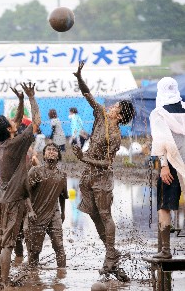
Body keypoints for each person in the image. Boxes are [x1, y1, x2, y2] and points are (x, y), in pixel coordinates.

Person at [72, 61, 135, 275]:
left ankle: (110, 256)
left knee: (105, 215)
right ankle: (113, 253)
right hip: (87, 175)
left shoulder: (116, 136)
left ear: (119, 115)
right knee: (94, 214)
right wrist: (79, 77)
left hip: (102, 178)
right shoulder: (100, 115)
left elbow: (108, 164)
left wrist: (84, 158)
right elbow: (87, 94)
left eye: (115, 107)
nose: (111, 106)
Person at [0, 82, 40, 287]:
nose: (15, 121)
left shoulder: (1, 144)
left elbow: (18, 121)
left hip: (1, 200)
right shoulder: (17, 144)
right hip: (13, 201)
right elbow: (36, 121)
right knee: (8, 244)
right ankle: (4, 282)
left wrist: (20, 101)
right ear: (10, 130)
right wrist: (31, 97)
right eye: (12, 122)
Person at [149, 77, 185, 259]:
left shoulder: (159, 113)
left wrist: (163, 166)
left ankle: (165, 251)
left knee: (164, 206)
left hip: (171, 163)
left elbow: (161, 141)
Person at [24, 143, 68, 268]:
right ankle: (33, 277)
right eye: (48, 150)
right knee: (34, 250)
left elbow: (63, 196)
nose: (51, 152)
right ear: (43, 155)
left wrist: (63, 213)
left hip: (54, 213)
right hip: (36, 214)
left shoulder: (62, 175)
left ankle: (62, 275)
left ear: (58, 155)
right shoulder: (36, 171)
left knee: (59, 246)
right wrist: (30, 211)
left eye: (54, 150)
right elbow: (24, 192)